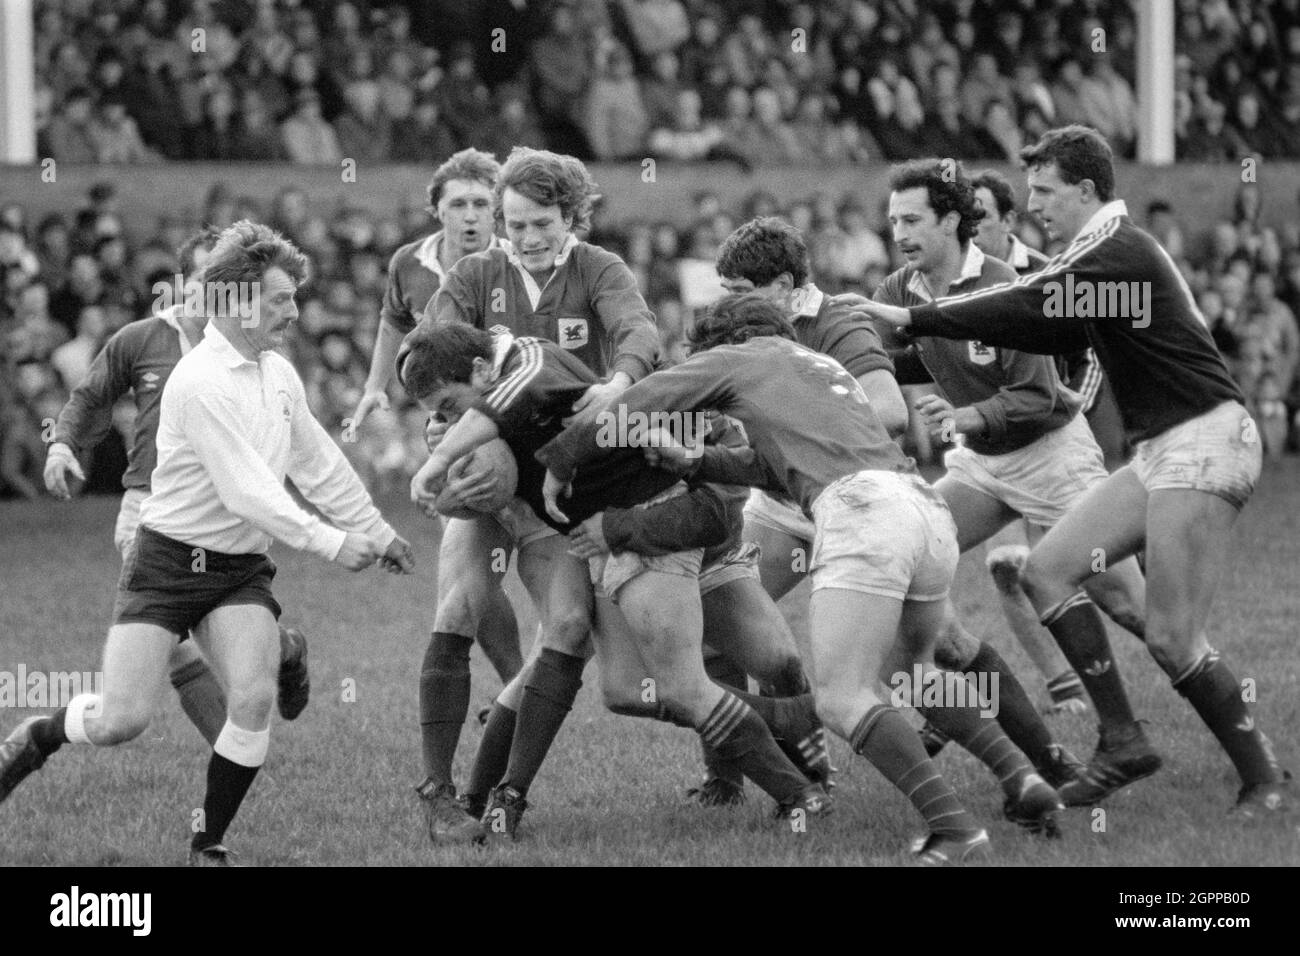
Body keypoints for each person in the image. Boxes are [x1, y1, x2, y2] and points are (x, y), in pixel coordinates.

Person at [855, 126, 1289, 815]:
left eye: (1046, 193)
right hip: (1166, 449)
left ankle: (1262, 779)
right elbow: (1046, 325)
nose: (1033, 207)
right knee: (1045, 570)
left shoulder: (1114, 251)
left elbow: (1032, 308)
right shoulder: (1100, 254)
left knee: (1170, 633)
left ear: (1088, 190)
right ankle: (1121, 740)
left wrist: (920, 318)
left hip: (1204, 439)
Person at [541, 294, 1066, 863]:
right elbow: (777, 469)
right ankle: (1023, 780)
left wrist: (559, 461)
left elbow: (636, 399)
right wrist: (695, 463)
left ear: (726, 343)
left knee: (841, 699)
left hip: (864, 514)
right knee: (910, 675)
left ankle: (954, 829)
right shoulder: (819, 367)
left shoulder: (740, 355)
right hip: (922, 506)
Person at [0, 222, 415, 864]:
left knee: (252, 697)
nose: (294, 311)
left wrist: (378, 530)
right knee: (121, 720)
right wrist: (333, 544)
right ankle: (38, 734)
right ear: (241, 303)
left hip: (238, 569)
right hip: (164, 562)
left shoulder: (277, 371)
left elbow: (317, 461)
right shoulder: (196, 381)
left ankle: (207, 842)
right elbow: (247, 491)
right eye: (280, 300)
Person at [403, 323, 827, 840]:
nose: (450, 422)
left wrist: (442, 458)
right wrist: (455, 478)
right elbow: (502, 429)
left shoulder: (535, 361)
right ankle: (481, 800)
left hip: (648, 521)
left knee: (686, 686)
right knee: (624, 688)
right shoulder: (499, 395)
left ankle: (800, 790)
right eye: (439, 416)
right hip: (606, 539)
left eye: (450, 406)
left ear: (480, 370)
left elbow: (521, 397)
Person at [872, 159, 1150, 793]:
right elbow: (897, 359)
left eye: (912, 219)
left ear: (950, 220)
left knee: (1132, 608)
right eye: (892, 221)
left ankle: (1239, 744)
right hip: (982, 464)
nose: (900, 233)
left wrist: (965, 414)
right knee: (905, 559)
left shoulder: (1005, 286)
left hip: (1053, 458)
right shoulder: (900, 288)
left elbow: (1037, 397)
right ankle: (960, 682)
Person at [408, 147, 662, 839]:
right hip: (487, 484)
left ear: (572, 215)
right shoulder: (474, 274)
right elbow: (428, 354)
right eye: (513, 223)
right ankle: (435, 793)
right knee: (459, 605)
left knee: (571, 629)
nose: (525, 238)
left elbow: (640, 332)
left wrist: (619, 379)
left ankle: (505, 797)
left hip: (560, 488)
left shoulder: (599, 270)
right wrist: (443, 438)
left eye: (540, 223)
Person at [43, 228, 310, 743]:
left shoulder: (252, 348)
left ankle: (282, 653)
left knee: (216, 633)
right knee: (174, 640)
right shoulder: (140, 339)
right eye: (211, 276)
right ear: (186, 282)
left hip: (228, 508)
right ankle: (230, 750)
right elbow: (89, 396)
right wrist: (61, 445)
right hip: (149, 510)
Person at [347, 149, 524, 816]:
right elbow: (397, 325)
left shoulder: (522, 259)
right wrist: (374, 388)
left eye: (484, 204)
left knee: (546, 610)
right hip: (463, 445)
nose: (474, 216)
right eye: (460, 204)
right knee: (461, 597)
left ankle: (522, 693)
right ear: (437, 211)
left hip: (519, 438)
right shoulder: (408, 265)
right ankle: (450, 768)